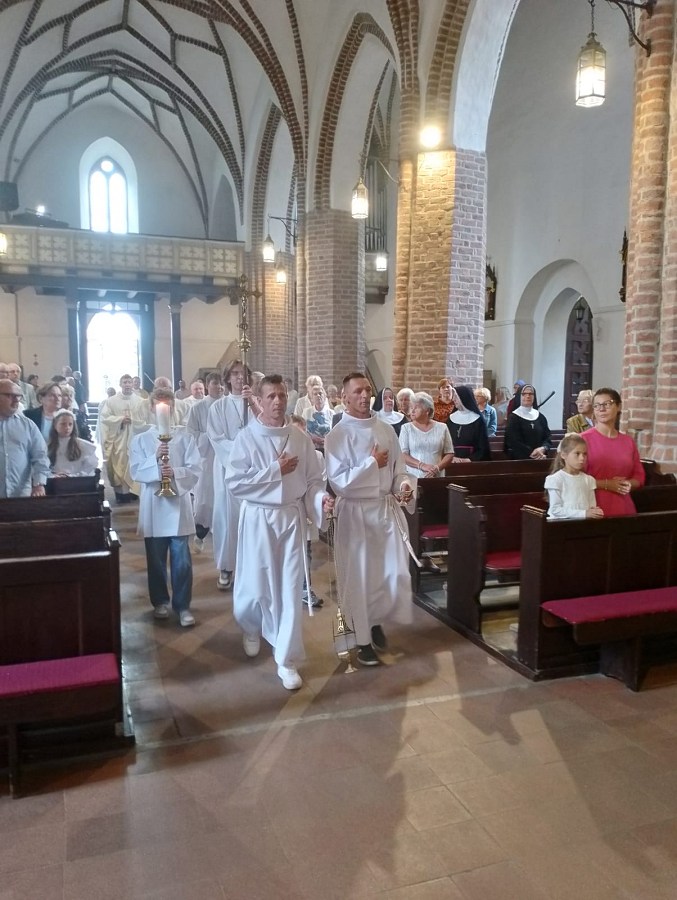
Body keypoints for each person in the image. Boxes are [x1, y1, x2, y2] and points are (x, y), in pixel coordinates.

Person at [226, 375, 332, 689]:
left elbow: (313, 480)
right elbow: (235, 483)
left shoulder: (299, 438)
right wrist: (275, 470)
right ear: (259, 400)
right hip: (258, 518)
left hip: (290, 518)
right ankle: (251, 626)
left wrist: (320, 499)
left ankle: (286, 660)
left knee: (289, 589)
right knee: (254, 589)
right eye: (271, 396)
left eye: (282, 395)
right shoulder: (246, 437)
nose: (277, 401)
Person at [325, 372, 416, 667]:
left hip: (385, 511)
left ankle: (374, 620)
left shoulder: (385, 430)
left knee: (390, 575)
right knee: (359, 578)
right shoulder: (337, 435)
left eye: (367, 390)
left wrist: (404, 486)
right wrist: (371, 464)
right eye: (357, 391)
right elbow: (339, 482)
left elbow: (400, 470)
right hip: (356, 513)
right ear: (345, 397)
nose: (364, 395)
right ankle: (362, 640)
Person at [129, 389, 202, 627]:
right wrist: (155, 460)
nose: (164, 409)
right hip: (154, 504)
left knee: (182, 560)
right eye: (160, 405)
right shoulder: (141, 439)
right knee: (156, 559)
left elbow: (195, 468)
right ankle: (160, 601)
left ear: (173, 408)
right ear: (151, 408)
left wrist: (175, 473)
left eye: (168, 405)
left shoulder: (184, 437)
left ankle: (182, 606)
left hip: (178, 505)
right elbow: (136, 471)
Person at [207, 359, 256, 590]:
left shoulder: (255, 405)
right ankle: (226, 567)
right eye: (235, 373)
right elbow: (217, 439)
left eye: (243, 373)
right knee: (227, 519)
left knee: (251, 519)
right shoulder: (218, 407)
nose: (239, 377)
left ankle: (251, 568)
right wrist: (241, 452)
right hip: (227, 468)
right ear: (227, 378)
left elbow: (264, 432)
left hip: (253, 470)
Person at [580, 387, 645, 516]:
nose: (601, 409)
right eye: (597, 405)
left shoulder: (628, 441)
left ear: (619, 406)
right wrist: (607, 484)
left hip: (623, 506)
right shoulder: (582, 439)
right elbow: (573, 478)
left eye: (607, 404)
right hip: (591, 507)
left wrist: (628, 484)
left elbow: (639, 476)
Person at [185, 372, 222, 552]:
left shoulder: (228, 404)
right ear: (208, 385)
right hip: (207, 458)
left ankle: (222, 534)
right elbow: (191, 433)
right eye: (215, 383)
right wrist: (211, 437)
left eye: (221, 384)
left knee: (224, 498)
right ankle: (200, 533)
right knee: (205, 499)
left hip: (226, 458)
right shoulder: (198, 407)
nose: (219, 387)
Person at [0, 378, 50, 497]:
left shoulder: (27, 425)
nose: (16, 400)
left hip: (21, 495)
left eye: (18, 396)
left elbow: (40, 456)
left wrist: (39, 484)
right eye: (10, 395)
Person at [99, 374, 145, 503]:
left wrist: (133, 420)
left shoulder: (140, 401)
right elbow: (105, 418)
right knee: (120, 462)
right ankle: (121, 493)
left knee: (135, 461)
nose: (128, 385)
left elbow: (145, 418)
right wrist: (120, 420)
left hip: (135, 437)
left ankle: (134, 491)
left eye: (129, 382)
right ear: (120, 384)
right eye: (125, 382)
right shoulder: (111, 401)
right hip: (119, 437)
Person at [544, 433, 603, 519]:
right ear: (564, 455)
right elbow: (555, 510)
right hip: (560, 525)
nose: (582, 458)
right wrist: (583, 513)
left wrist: (595, 512)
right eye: (577, 453)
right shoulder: (555, 479)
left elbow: (591, 507)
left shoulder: (589, 480)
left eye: (584, 454)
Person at [399, 391, 454, 477]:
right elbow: (402, 454)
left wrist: (437, 468)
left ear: (427, 411)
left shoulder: (442, 427)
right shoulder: (406, 428)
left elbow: (449, 453)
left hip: (437, 476)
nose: (412, 411)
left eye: (416, 408)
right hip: (413, 477)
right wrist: (421, 465)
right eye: (411, 407)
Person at [504, 384, 552, 460]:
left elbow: (548, 437)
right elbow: (513, 441)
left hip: (541, 458)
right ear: (519, 396)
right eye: (524, 394)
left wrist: (543, 448)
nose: (528, 396)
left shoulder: (540, 417)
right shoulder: (513, 418)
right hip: (519, 460)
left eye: (531, 394)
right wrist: (532, 453)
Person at [47, 409, 99, 477]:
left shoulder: (84, 446)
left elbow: (89, 468)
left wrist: (72, 476)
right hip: (53, 481)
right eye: (63, 424)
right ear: (55, 425)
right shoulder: (47, 445)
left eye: (70, 424)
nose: (67, 427)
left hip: (77, 481)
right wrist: (53, 476)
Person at [447, 385, 491, 461]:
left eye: (456, 397)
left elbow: (483, 447)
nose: (453, 399)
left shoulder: (478, 420)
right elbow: (445, 443)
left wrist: (469, 459)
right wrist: (450, 458)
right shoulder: (451, 419)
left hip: (472, 462)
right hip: (452, 460)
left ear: (464, 398)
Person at [302, 384, 333, 450]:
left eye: (320, 393)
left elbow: (335, 432)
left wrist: (327, 440)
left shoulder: (331, 413)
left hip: (327, 448)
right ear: (311, 399)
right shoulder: (306, 412)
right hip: (311, 448)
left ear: (325, 397)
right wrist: (312, 438)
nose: (318, 395)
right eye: (315, 394)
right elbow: (302, 430)